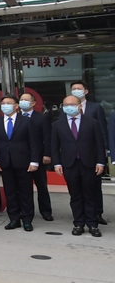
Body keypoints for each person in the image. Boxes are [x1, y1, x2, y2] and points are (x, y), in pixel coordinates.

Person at [52, 95, 107, 237]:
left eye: (72, 104)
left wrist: (101, 162)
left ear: (79, 106)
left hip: (89, 163)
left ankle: (92, 224)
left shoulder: (92, 122)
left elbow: (99, 145)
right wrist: (57, 163)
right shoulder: (58, 124)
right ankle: (78, 223)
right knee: (75, 195)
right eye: (66, 104)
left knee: (90, 194)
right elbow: (54, 146)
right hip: (69, 164)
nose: (69, 106)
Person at [0, 94, 40, 232]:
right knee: (10, 191)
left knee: (26, 191)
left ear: (16, 106)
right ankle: (14, 219)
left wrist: (34, 161)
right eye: (3, 103)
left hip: (23, 161)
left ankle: (27, 219)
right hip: (5, 162)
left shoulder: (26, 121)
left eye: (9, 103)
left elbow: (34, 143)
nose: (5, 105)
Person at [70, 81, 108, 226]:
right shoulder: (67, 109)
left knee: (94, 185)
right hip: (74, 155)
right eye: (73, 89)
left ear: (86, 91)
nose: (76, 91)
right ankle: (81, 216)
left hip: (92, 153)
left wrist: (104, 151)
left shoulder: (95, 107)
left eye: (79, 89)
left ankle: (97, 213)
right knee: (77, 188)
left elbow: (102, 131)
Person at [18, 93, 53, 221]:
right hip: (21, 157)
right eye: (21, 100)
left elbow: (47, 137)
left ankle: (46, 211)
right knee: (22, 187)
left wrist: (47, 154)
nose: (23, 102)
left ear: (33, 103)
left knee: (41, 186)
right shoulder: (16, 117)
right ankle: (24, 210)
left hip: (38, 157)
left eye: (26, 100)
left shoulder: (41, 118)